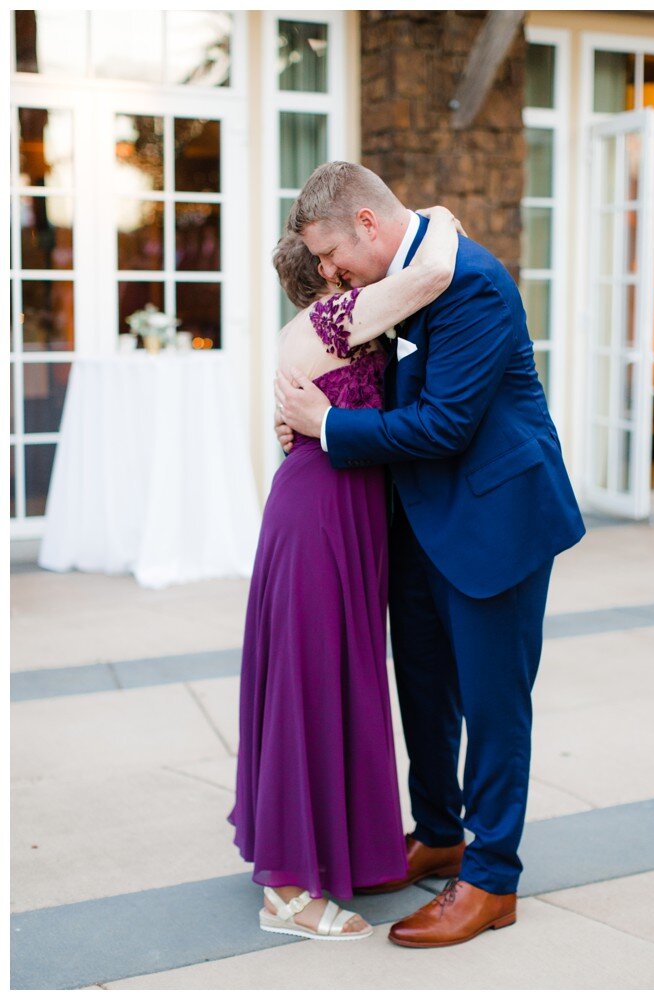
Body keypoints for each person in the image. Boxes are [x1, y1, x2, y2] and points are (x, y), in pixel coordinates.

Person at [275, 161, 586, 948]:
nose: (329, 273)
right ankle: (440, 830)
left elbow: (447, 424)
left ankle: (490, 878)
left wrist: (327, 427)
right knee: (423, 685)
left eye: (332, 253)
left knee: (491, 702)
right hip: (421, 519)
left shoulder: (472, 282)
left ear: (368, 226)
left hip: (496, 518)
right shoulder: (404, 276)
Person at [232, 206, 462, 940]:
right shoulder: (342, 319)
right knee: (311, 686)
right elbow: (432, 268)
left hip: (332, 509)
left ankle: (318, 851)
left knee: (328, 682)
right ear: (330, 280)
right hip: (324, 517)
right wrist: (435, 218)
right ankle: (289, 895)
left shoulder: (321, 330)